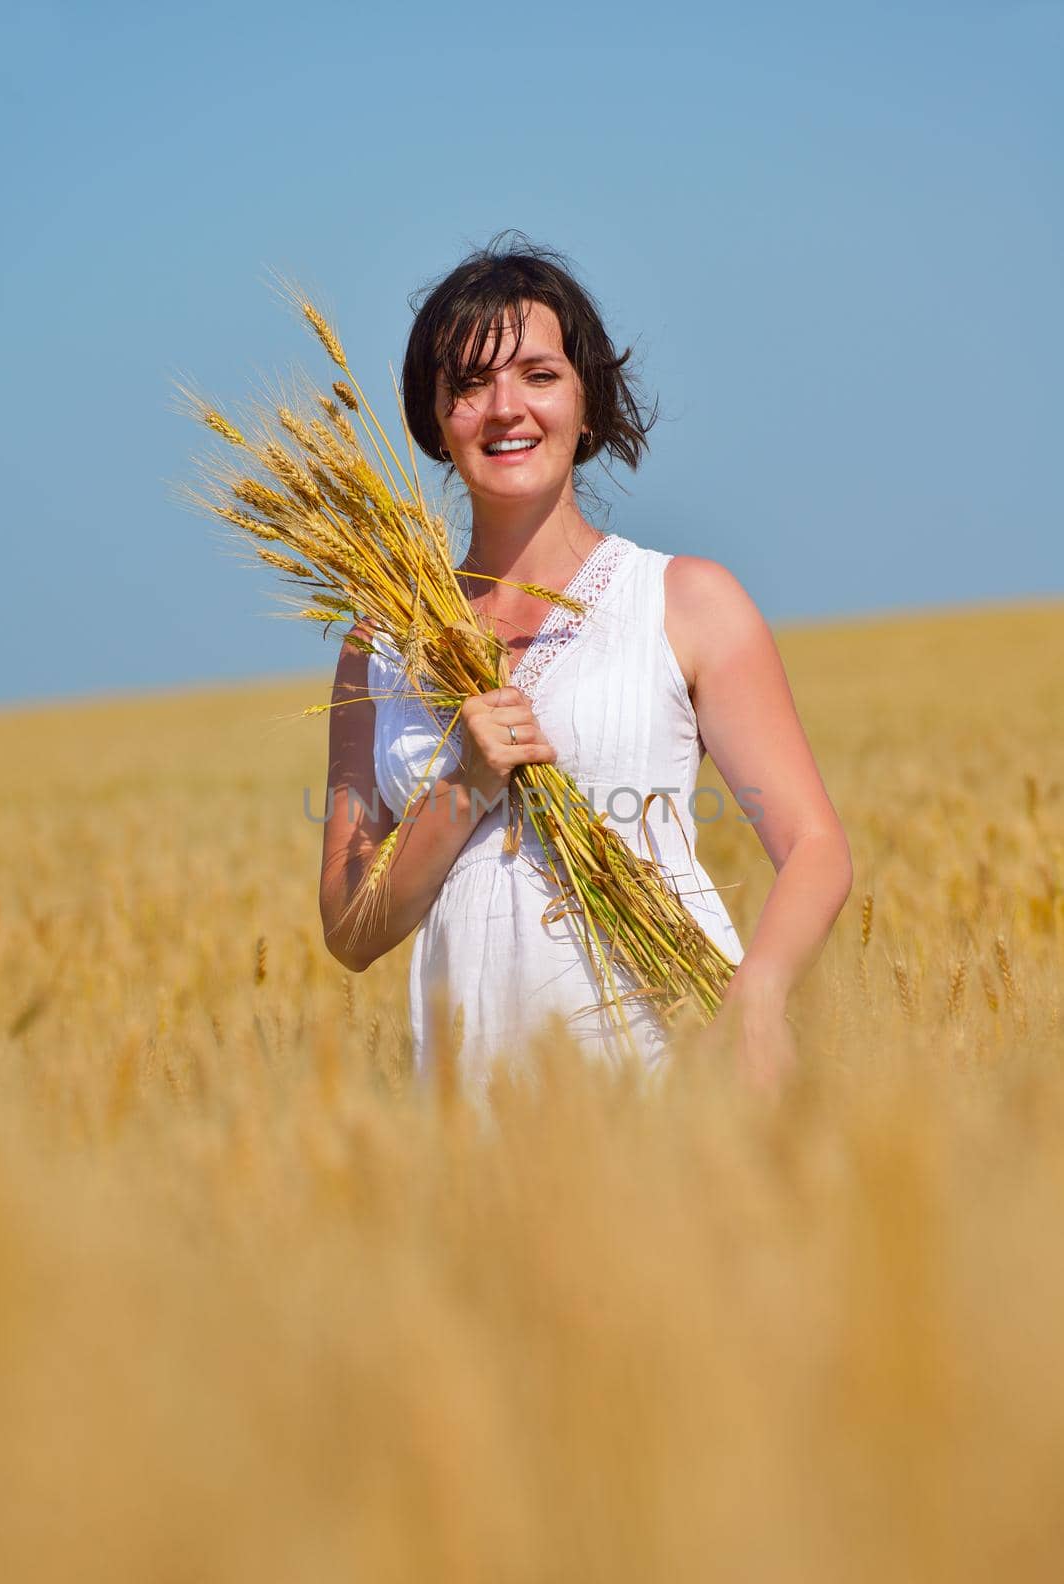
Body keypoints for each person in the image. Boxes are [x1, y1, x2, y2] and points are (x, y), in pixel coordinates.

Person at [319, 232, 853, 1095]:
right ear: (435, 420)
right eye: (467, 384)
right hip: (472, 1110)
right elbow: (350, 930)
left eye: (538, 374)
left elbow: (816, 845)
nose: (503, 408)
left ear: (587, 401)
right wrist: (463, 785)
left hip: (673, 1077)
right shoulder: (380, 646)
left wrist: (755, 1003)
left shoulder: (682, 601)